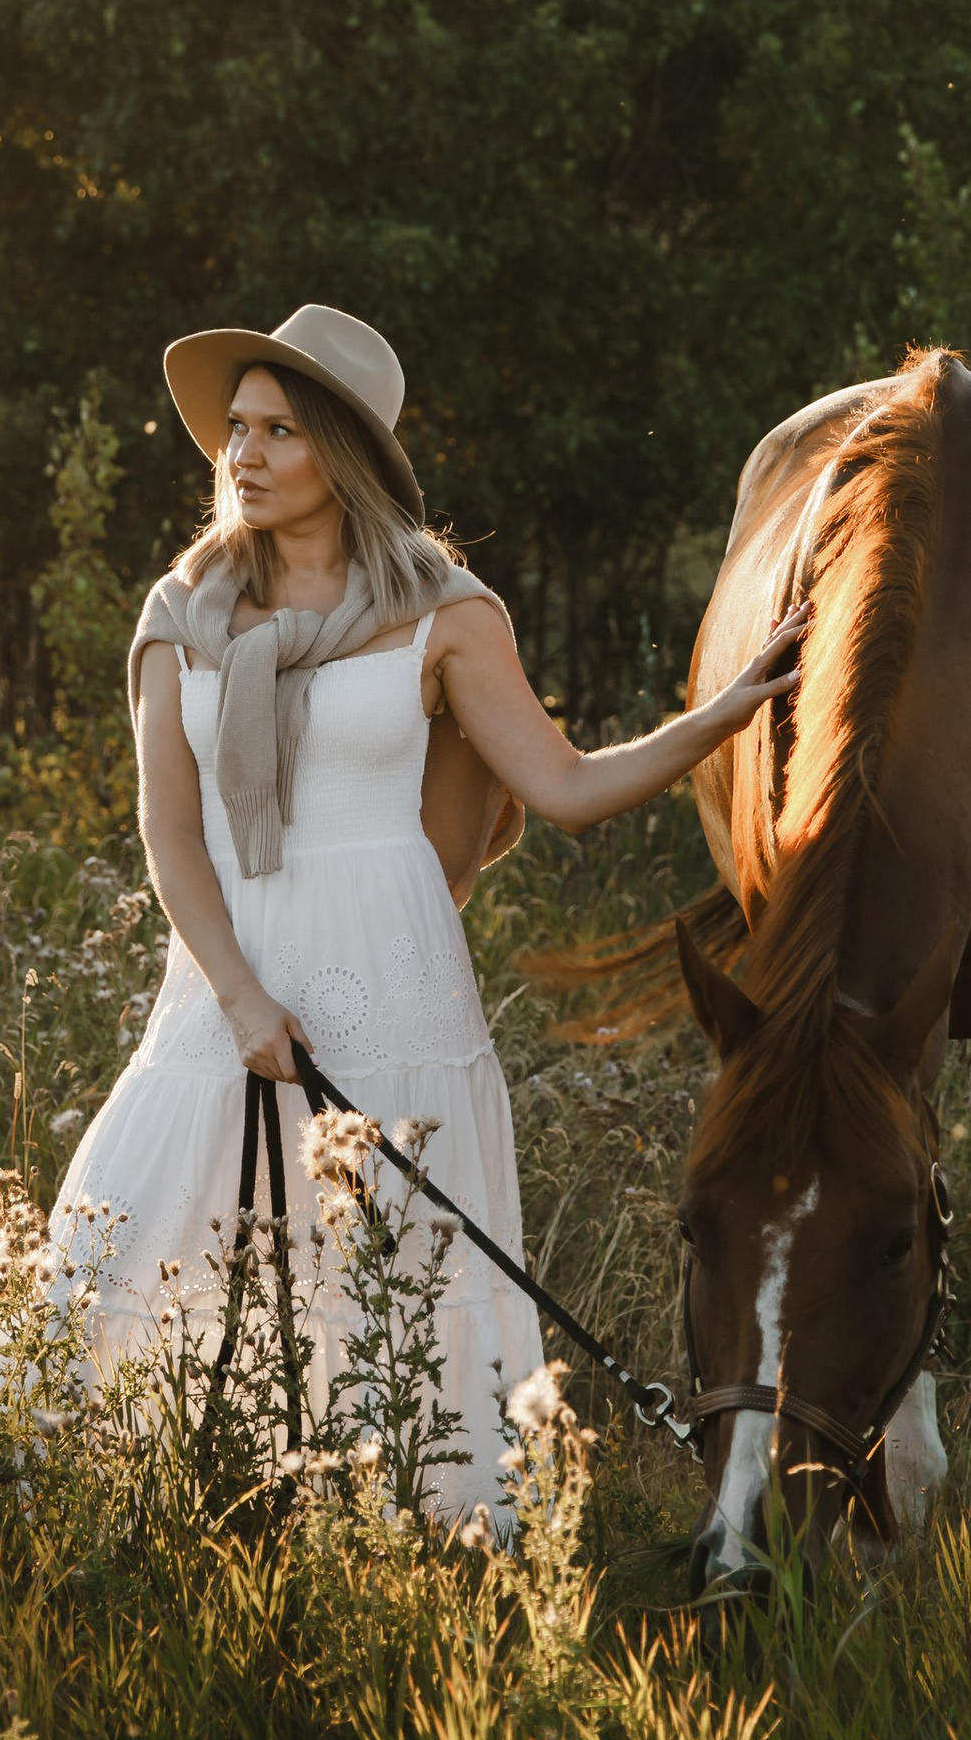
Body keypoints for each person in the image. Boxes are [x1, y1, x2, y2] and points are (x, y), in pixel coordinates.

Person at [44, 302, 802, 1520]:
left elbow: (560, 787)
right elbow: (169, 834)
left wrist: (714, 720)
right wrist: (240, 995)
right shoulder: (178, 614)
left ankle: (405, 1528)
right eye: (234, 428)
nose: (242, 455)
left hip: (393, 977)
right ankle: (139, 1505)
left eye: (278, 430)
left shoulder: (446, 611)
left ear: (340, 453)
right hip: (227, 976)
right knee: (151, 1222)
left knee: (388, 1261)